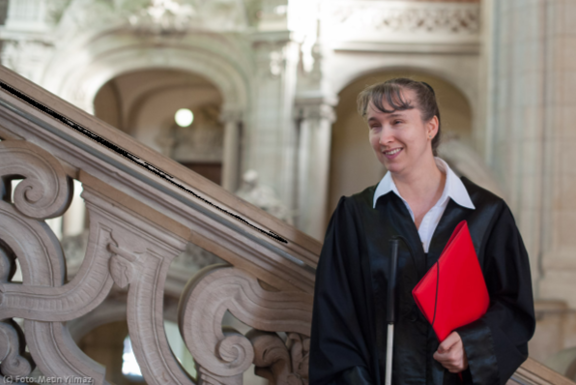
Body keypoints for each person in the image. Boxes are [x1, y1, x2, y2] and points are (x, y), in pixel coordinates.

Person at [308, 78, 535, 385]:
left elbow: (514, 308)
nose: (384, 137)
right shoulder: (355, 215)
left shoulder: (488, 214)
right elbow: (333, 323)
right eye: (375, 125)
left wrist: (474, 345)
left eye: (397, 121)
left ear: (431, 127)